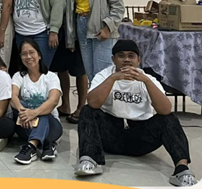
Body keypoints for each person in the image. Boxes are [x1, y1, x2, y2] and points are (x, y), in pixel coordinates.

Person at [75, 40, 197, 187]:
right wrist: (114, 78)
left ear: (138, 60)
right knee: (87, 111)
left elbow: (165, 109)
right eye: (121, 56)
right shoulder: (104, 75)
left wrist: (146, 81)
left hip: (140, 136)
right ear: (113, 60)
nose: (126, 59)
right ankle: (89, 159)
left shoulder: (148, 79)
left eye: (131, 56)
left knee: (169, 118)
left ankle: (182, 168)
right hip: (111, 134)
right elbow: (93, 103)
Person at [50, 0, 88, 123]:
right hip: (58, 26)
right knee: (60, 68)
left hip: (77, 26)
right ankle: (65, 104)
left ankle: (82, 106)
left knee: (79, 69)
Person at [11, 38, 63, 165]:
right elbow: (13, 97)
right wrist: (23, 113)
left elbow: (54, 100)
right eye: (24, 54)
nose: (28, 57)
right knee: (23, 105)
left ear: (39, 55)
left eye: (31, 52)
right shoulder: (19, 76)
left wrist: (34, 113)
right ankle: (47, 146)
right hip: (25, 123)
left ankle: (31, 147)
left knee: (44, 112)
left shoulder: (51, 77)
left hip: (52, 126)